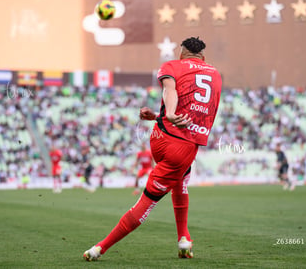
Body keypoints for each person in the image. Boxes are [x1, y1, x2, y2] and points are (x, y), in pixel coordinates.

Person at [83, 36, 222, 261]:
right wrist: (170, 113)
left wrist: (162, 115)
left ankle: (184, 238)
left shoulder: (172, 65)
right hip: (183, 147)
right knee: (147, 203)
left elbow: (170, 89)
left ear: (181, 53)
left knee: (181, 179)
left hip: (160, 137)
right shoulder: (215, 75)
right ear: (203, 57)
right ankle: (100, 248)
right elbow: (195, 112)